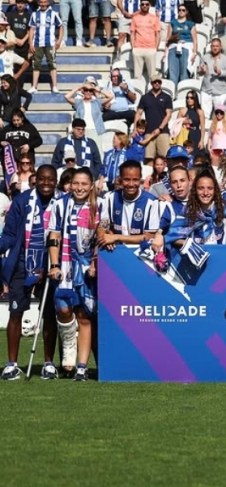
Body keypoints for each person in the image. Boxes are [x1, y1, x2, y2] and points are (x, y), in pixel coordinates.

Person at [0, 165, 58, 380]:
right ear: (35, 180)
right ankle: (11, 364)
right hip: (21, 265)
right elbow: (9, 234)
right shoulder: (21, 201)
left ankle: (49, 363)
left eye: (50, 179)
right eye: (42, 179)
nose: (46, 183)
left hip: (50, 266)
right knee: (15, 313)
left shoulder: (60, 202)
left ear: (56, 181)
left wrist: (50, 265)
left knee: (50, 315)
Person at [46, 167, 100, 380]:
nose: (79, 188)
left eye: (84, 184)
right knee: (63, 309)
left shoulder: (99, 205)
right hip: (65, 265)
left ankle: (82, 366)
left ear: (91, 185)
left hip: (87, 267)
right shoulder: (60, 204)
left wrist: (95, 263)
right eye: (76, 183)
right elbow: (54, 235)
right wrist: (54, 264)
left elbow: (100, 237)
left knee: (84, 315)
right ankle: (69, 342)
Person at [97, 160, 160, 252]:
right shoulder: (109, 198)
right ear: (120, 179)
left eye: (135, 179)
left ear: (140, 180)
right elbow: (102, 226)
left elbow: (149, 236)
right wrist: (104, 237)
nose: (131, 184)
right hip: (115, 250)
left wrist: (115, 237)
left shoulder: (151, 202)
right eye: (126, 179)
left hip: (141, 253)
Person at [27, 0, 63, 94]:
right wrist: (30, 43)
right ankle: (34, 86)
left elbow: (61, 26)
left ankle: (54, 86)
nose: (43, 4)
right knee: (36, 65)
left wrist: (59, 40)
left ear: (48, 2)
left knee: (52, 64)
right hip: (37, 43)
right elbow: (31, 29)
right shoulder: (34, 14)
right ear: (38, 3)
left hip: (50, 43)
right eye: (41, 2)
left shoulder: (53, 14)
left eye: (45, 2)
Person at [135, 76, 174, 162]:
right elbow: (138, 113)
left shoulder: (167, 97)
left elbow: (168, 115)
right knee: (149, 159)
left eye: (159, 82)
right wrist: (135, 129)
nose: (157, 83)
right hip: (148, 131)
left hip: (163, 132)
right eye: (155, 82)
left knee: (165, 158)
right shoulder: (145, 97)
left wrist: (160, 128)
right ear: (151, 83)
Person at [130, 0, 162, 84]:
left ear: (149, 6)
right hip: (138, 48)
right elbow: (132, 34)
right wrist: (133, 48)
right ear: (140, 6)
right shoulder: (135, 18)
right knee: (137, 76)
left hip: (150, 48)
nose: (144, 6)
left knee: (152, 76)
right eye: (142, 4)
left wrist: (156, 48)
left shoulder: (155, 18)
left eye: (147, 4)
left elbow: (158, 34)